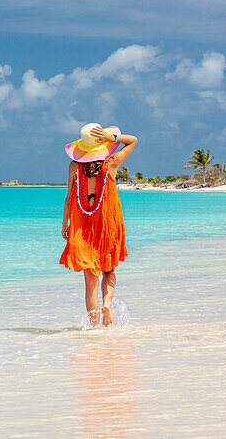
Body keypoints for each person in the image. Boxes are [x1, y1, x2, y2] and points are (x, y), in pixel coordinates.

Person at [59, 123, 137, 327]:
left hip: (81, 225)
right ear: (101, 144)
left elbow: (68, 198)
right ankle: (107, 306)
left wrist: (65, 223)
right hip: (108, 222)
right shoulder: (111, 164)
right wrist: (111, 136)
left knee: (89, 281)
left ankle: (94, 328)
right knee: (109, 270)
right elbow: (133, 140)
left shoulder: (74, 168)